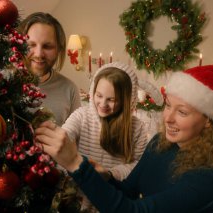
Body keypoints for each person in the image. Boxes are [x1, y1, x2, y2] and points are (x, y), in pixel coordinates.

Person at [35, 65, 213, 212]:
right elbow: (129, 190)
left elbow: (132, 211)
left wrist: (76, 164)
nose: (168, 118)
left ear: (209, 121)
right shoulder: (159, 143)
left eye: (182, 112)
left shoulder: (209, 179)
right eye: (167, 106)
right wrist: (106, 178)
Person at [61, 62, 148, 211]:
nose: (102, 104)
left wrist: (111, 174)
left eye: (112, 99)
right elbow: (65, 135)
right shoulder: (81, 116)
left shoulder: (137, 127)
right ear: (93, 91)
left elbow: (138, 165)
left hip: (113, 199)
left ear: (125, 100)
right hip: (78, 198)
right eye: (99, 95)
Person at [19, 12, 81, 126]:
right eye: (31, 45)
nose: (38, 54)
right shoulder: (3, 85)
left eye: (47, 46)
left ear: (58, 49)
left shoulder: (70, 90)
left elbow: (77, 140)